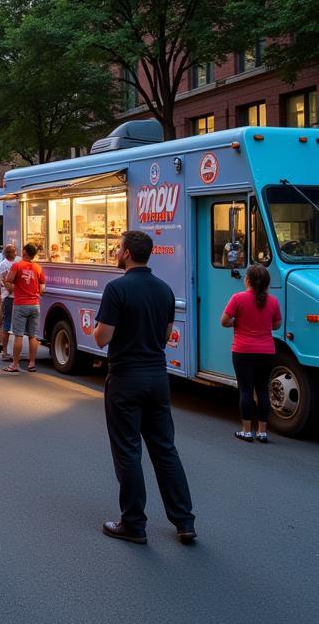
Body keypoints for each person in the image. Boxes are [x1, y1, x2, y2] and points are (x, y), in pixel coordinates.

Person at [93, 230, 196, 545]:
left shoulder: (116, 288)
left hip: (125, 378)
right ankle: (184, 521)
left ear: (125, 252)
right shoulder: (164, 290)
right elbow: (166, 335)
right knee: (165, 449)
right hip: (157, 378)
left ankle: (133, 524)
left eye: (117, 248)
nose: (115, 252)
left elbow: (101, 336)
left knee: (128, 451)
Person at [221, 263, 282, 442]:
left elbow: (224, 321)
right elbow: (276, 325)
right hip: (266, 351)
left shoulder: (238, 298)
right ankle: (262, 432)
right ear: (267, 283)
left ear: (247, 280)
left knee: (246, 390)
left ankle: (247, 431)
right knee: (263, 390)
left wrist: (238, 322)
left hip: (243, 350)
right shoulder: (273, 301)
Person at [4, 243, 44, 373]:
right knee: (33, 336)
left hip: (21, 303)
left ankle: (15, 364)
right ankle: (31, 363)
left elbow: (9, 279)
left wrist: (10, 282)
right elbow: (42, 288)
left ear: (25, 252)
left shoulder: (17, 265)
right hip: (35, 304)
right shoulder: (38, 268)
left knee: (19, 335)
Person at [0, 243, 19, 359]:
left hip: (14, 298)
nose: (15, 253)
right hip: (8, 297)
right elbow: (3, 282)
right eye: (13, 251)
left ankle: (6, 349)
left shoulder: (15, 264)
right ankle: (5, 350)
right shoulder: (3, 265)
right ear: (8, 253)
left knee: (8, 324)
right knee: (6, 324)